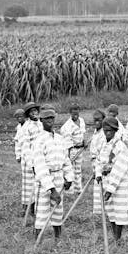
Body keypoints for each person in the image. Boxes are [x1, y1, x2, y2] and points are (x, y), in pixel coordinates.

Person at [32, 109, 74, 241]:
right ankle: (37, 241)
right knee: (42, 211)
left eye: (52, 118)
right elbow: (40, 166)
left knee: (58, 209)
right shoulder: (39, 140)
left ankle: (58, 239)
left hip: (59, 176)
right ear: (41, 120)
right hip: (45, 179)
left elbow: (65, 160)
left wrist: (69, 177)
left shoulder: (60, 138)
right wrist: (51, 189)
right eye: (47, 118)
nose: (50, 120)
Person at [95, 117, 128, 241]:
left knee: (119, 209)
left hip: (119, 182)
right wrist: (98, 174)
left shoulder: (120, 146)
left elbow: (119, 169)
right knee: (110, 209)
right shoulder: (103, 144)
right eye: (105, 130)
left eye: (110, 130)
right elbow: (98, 161)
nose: (108, 133)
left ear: (115, 130)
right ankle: (114, 235)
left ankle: (118, 237)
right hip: (106, 179)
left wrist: (111, 189)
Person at [20, 102, 42, 219]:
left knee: (39, 184)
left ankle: (38, 209)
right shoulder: (26, 128)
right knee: (29, 186)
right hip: (30, 161)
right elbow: (25, 148)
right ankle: (28, 210)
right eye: (31, 111)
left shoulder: (41, 124)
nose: (34, 113)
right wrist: (31, 164)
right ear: (28, 114)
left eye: (35, 111)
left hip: (40, 159)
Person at [59, 104, 86, 193]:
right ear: (70, 113)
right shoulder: (67, 126)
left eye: (77, 113)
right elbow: (67, 140)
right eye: (73, 113)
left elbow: (83, 133)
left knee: (78, 170)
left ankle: (78, 189)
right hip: (72, 149)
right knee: (70, 169)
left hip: (80, 148)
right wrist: (70, 153)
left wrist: (84, 142)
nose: (75, 115)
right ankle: (69, 190)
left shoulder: (81, 121)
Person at [89, 109, 107, 215]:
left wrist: (98, 168)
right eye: (95, 120)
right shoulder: (96, 132)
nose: (96, 123)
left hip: (102, 164)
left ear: (103, 120)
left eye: (99, 120)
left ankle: (104, 213)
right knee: (97, 188)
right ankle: (98, 213)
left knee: (103, 187)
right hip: (95, 162)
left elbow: (103, 153)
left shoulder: (105, 133)